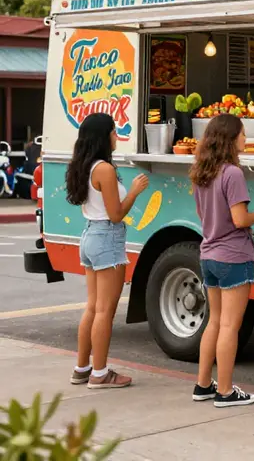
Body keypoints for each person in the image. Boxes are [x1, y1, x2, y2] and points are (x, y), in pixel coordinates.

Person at [190, 113, 254, 408]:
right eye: (242, 134)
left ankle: (203, 385)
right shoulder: (233, 174)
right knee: (230, 326)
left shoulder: (203, 171)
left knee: (214, 321)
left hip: (208, 254)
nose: (246, 139)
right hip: (233, 257)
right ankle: (225, 391)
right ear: (229, 139)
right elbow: (239, 219)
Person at [66, 113, 150, 389]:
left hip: (90, 234)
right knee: (105, 311)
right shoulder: (105, 169)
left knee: (92, 307)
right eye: (114, 132)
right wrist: (134, 192)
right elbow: (116, 214)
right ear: (104, 136)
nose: (117, 136)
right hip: (108, 237)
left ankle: (82, 368)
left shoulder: (85, 166)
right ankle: (100, 373)